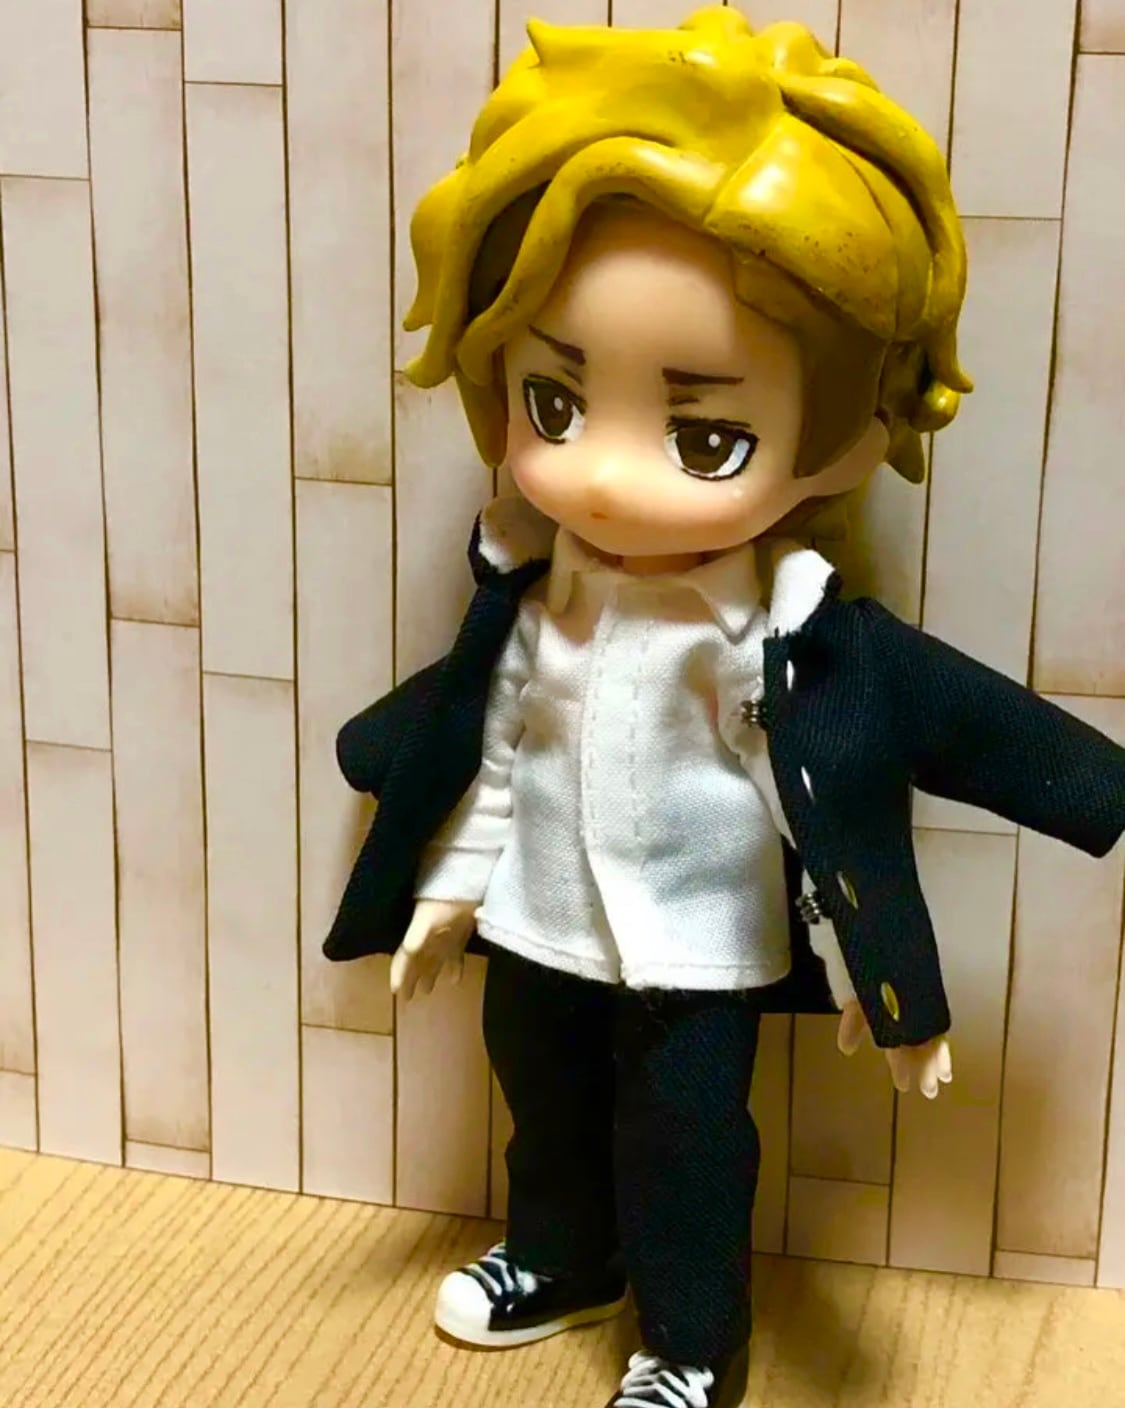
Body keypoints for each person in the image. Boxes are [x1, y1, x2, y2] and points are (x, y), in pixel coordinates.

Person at [324, 11, 1125, 1408]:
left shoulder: (797, 636)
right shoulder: (531, 595)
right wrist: (437, 874)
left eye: (704, 437)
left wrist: (895, 966)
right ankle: (561, 1256)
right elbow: (490, 735)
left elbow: (951, 746)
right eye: (554, 403)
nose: (604, 475)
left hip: (696, 946)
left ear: (849, 439)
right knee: (542, 1100)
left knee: (688, 1140)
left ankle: (690, 1343)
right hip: (535, 916)